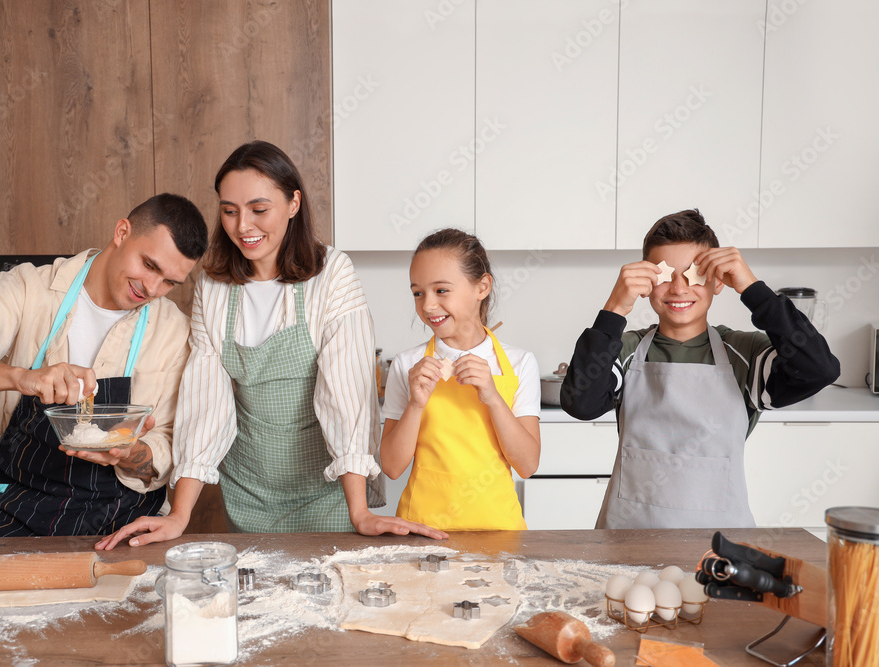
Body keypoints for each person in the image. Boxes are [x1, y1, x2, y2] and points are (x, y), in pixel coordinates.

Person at [97, 141, 447, 549]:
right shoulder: (214, 285)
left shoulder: (331, 275)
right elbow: (205, 401)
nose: (243, 226)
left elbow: (346, 394)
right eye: (230, 211)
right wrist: (179, 515)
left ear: (293, 203)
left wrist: (359, 512)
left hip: (327, 488)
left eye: (259, 210)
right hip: (249, 491)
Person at [0, 193, 209, 537]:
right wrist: (22, 378)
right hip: (18, 504)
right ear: (122, 232)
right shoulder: (29, 288)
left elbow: (170, 442)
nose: (153, 288)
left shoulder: (176, 330)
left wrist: (131, 453)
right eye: (149, 265)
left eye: (170, 282)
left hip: (122, 515)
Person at [560, 209, 840, 529]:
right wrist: (614, 308)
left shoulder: (746, 355)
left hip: (718, 549)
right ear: (647, 282)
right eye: (665, 276)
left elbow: (820, 369)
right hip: (629, 543)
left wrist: (752, 288)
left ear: (718, 281)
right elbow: (581, 404)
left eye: (694, 274)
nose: (679, 289)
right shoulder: (624, 350)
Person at [379, 229, 541, 530]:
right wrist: (416, 404)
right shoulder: (407, 365)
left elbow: (528, 464)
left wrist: (492, 396)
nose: (427, 306)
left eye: (441, 290)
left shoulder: (519, 363)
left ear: (482, 287)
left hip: (499, 532)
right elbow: (391, 466)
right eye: (418, 292)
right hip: (422, 531)